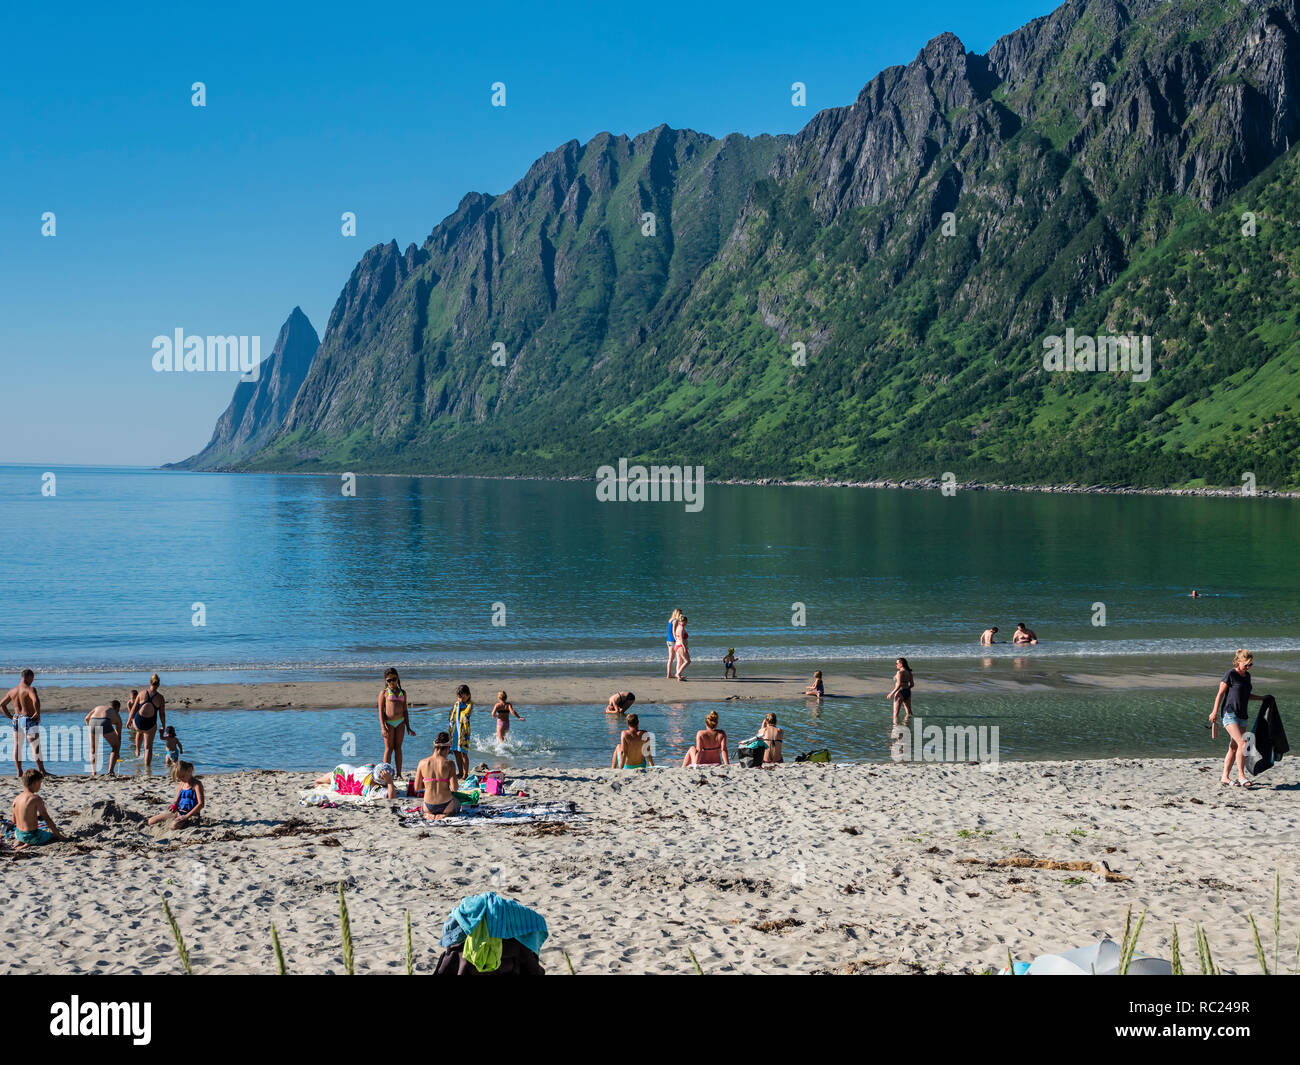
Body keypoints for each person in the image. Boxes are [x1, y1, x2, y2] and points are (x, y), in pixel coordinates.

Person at [1210, 649, 1265, 787]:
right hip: (1229, 714)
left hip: (1242, 715)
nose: (1248, 667)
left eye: (1250, 665)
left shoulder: (1247, 676)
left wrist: (1262, 698)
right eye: (1246, 664)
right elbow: (1220, 694)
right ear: (1238, 661)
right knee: (1243, 744)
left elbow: (1246, 695)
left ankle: (1225, 777)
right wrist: (1214, 712)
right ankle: (1241, 776)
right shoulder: (1230, 674)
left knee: (1234, 747)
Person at [2, 669, 49, 777]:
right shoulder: (30, 689)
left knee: (18, 746)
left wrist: (10, 716)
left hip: (16, 718)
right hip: (27, 719)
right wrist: (37, 713)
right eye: (32, 678)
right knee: (35, 745)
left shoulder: (12, 691)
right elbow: (36, 701)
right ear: (28, 677)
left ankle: (19, 772)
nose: (33, 680)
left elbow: (2, 705)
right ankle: (42, 771)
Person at [11, 769, 65, 847]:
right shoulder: (36, 799)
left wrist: (33, 817)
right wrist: (59, 836)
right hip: (31, 836)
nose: (40, 785)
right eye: (40, 783)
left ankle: (21, 841)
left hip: (18, 834)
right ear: (35, 783)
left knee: (25, 834)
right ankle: (28, 843)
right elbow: (47, 819)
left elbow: (14, 820)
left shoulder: (17, 798)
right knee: (52, 836)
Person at [414, 733, 461, 819]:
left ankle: (429, 814)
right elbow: (454, 788)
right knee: (458, 803)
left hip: (428, 806)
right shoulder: (449, 763)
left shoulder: (422, 763)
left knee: (426, 806)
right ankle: (443, 815)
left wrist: (429, 783)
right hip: (446, 805)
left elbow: (417, 788)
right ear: (447, 748)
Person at [378, 668, 414, 778]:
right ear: (386, 681)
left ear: (397, 678)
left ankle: (399, 774)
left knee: (398, 748)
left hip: (400, 723)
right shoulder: (384, 693)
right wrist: (383, 727)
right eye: (389, 680)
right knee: (388, 748)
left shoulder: (403, 692)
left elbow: (405, 710)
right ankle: (386, 773)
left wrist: (408, 726)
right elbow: (380, 711)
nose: (392, 682)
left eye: (393, 679)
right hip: (389, 723)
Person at [148, 761, 204, 829]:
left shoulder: (197, 785)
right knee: (151, 821)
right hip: (178, 813)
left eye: (183, 777)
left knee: (174, 825)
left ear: (189, 771)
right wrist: (175, 804)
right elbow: (177, 800)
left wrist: (186, 816)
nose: (181, 779)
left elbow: (201, 804)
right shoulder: (182, 784)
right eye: (179, 778)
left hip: (191, 816)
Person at [128, 674, 166, 771]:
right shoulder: (161, 698)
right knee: (148, 747)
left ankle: (137, 749)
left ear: (150, 683)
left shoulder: (142, 693)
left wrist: (129, 720)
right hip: (150, 724)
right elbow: (162, 714)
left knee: (139, 731)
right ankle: (147, 768)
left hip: (138, 722)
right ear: (158, 685)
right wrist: (163, 726)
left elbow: (133, 709)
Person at [312, 762, 397, 799]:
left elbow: (370, 764)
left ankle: (320, 781)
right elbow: (392, 797)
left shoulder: (370, 770)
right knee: (332, 779)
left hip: (346, 769)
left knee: (332, 775)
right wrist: (389, 781)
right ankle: (318, 782)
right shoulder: (373, 789)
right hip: (343, 777)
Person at [84, 701, 124, 776]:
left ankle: (93, 772)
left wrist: (90, 729)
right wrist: (117, 752)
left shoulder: (98, 707)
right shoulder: (116, 714)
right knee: (115, 747)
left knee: (93, 749)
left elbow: (86, 718)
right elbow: (119, 735)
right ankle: (110, 771)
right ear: (117, 708)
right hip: (105, 721)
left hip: (92, 721)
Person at [448, 685, 472, 778]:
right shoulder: (456, 704)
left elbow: (466, 714)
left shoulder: (469, 705)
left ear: (468, 695)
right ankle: (460, 772)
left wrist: (462, 705)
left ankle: (466, 773)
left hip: (464, 732)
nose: (460, 699)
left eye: (463, 697)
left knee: (463, 753)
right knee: (456, 752)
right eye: (459, 697)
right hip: (455, 732)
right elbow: (452, 716)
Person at [887, 658, 914, 725]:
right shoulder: (909, 672)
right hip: (907, 692)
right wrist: (906, 688)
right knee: (909, 712)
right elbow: (912, 684)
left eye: (897, 663)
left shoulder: (899, 672)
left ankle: (896, 730)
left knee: (895, 714)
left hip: (900, 692)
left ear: (901, 664)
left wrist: (891, 693)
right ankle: (907, 726)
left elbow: (899, 684)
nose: (896, 665)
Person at [673, 614, 692, 681]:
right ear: (683, 621)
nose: (687, 623)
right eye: (686, 622)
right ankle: (678, 674)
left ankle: (679, 676)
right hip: (680, 646)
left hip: (677, 646)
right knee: (688, 661)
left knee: (680, 661)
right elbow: (681, 639)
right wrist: (685, 648)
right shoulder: (681, 628)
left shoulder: (679, 627)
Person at [665, 608, 683, 678]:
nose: (681, 615)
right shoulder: (675, 621)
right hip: (673, 641)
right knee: (679, 658)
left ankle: (668, 674)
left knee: (671, 658)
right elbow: (673, 632)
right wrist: (677, 640)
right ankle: (678, 674)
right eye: (680, 613)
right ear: (677, 613)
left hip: (668, 640)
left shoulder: (670, 620)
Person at [126, 689, 142, 757]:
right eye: (132, 698)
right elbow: (130, 713)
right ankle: (133, 743)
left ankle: (138, 745)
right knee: (132, 735)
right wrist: (131, 721)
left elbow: (140, 712)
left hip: (138, 716)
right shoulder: (129, 703)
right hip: (133, 718)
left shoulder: (139, 703)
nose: (133, 700)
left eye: (135, 698)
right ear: (130, 697)